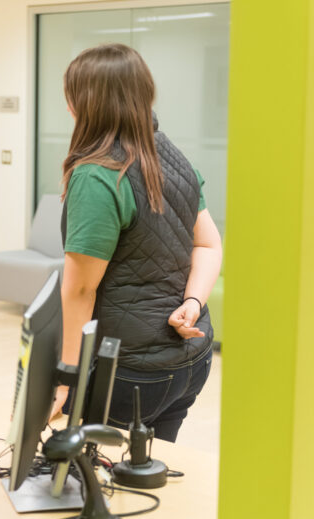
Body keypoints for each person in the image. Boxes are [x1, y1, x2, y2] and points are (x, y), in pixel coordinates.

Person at [50, 44, 222, 442]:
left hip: (127, 370)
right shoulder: (173, 157)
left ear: (81, 103)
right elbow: (209, 246)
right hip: (188, 362)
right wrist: (193, 303)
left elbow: (80, 289)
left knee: (101, 482)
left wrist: (67, 379)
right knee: (147, 477)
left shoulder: (97, 174)